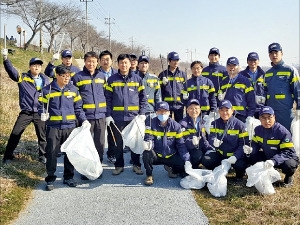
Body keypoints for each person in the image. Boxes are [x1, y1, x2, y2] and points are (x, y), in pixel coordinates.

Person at [39, 65, 89, 191]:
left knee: (70, 153)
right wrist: (42, 113)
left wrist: (84, 120)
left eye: (68, 76)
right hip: (53, 127)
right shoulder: (47, 90)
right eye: (64, 76)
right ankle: (50, 179)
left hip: (70, 127)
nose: (67, 78)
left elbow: (78, 108)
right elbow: (41, 105)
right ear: (57, 76)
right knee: (51, 153)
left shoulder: (73, 90)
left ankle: (68, 177)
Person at [1, 48, 49, 164]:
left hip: (40, 112)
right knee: (15, 133)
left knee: (42, 136)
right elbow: (12, 71)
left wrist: (47, 111)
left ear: (41, 68)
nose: (36, 67)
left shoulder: (46, 80)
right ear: (29, 67)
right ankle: (8, 156)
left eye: (39, 65)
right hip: (26, 112)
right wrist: (6, 59)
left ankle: (42, 156)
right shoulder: (23, 78)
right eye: (34, 65)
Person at [105, 54, 147, 176]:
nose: (124, 65)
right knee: (118, 143)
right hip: (117, 118)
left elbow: (143, 99)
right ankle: (119, 166)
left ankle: (136, 165)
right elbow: (107, 99)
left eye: (126, 63)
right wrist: (108, 115)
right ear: (118, 64)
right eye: (121, 63)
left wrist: (142, 114)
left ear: (130, 64)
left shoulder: (137, 80)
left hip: (134, 118)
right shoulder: (112, 80)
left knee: (135, 141)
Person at [243, 106, 299, 187]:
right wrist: (251, 149)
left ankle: (288, 178)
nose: (267, 121)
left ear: (274, 117)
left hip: (283, 158)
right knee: (250, 156)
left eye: (269, 118)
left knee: (289, 165)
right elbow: (255, 144)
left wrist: (274, 161)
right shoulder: (258, 130)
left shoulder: (282, 132)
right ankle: (261, 174)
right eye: (263, 118)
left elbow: (288, 152)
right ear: (259, 119)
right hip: (268, 156)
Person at [72, 52, 106, 175]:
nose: (91, 64)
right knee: (85, 145)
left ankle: (98, 168)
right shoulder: (77, 77)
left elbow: (105, 94)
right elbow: (74, 99)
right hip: (86, 118)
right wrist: (81, 118)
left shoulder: (102, 76)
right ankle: (85, 170)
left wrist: (107, 114)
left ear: (97, 62)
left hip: (101, 116)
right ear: (84, 62)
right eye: (88, 61)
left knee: (100, 144)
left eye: (93, 61)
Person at [143, 101, 191, 185]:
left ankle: (171, 169)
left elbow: (180, 144)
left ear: (169, 112)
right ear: (156, 112)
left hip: (171, 155)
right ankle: (149, 175)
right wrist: (148, 144)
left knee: (182, 164)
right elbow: (148, 138)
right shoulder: (150, 124)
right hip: (157, 155)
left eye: (165, 111)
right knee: (146, 153)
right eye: (160, 111)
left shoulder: (176, 126)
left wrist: (187, 159)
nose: (162, 113)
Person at [202, 100, 249, 182]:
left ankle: (239, 174)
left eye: (227, 110)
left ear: (232, 110)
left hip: (234, 156)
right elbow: (211, 137)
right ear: (219, 111)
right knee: (206, 160)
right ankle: (217, 170)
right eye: (222, 110)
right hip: (220, 154)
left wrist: (236, 156)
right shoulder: (214, 123)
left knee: (241, 165)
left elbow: (243, 144)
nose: (224, 113)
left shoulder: (240, 125)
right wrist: (214, 142)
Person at [264, 43, 300, 131]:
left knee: (286, 135)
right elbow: (265, 92)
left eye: (276, 52)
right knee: (272, 136)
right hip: (270, 112)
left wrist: (299, 108)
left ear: (282, 53)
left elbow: (297, 90)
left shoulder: (290, 70)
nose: (274, 55)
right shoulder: (267, 73)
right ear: (269, 55)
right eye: (271, 53)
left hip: (285, 112)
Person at [218, 57, 256, 123]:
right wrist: (219, 99)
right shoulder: (223, 82)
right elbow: (218, 100)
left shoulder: (245, 81)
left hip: (241, 115)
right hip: (227, 115)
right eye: (229, 65)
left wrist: (250, 115)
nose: (231, 67)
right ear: (226, 67)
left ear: (238, 67)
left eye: (234, 65)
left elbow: (251, 100)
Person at [179, 99, 214, 169]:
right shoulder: (182, 124)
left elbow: (204, 140)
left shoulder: (201, 122)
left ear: (200, 109)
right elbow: (181, 144)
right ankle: (188, 168)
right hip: (189, 152)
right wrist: (191, 143)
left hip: (199, 148)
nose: (194, 111)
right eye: (191, 108)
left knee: (210, 158)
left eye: (196, 108)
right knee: (198, 155)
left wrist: (211, 149)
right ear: (187, 110)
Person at [98, 50, 118, 163]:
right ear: (99, 61)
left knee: (112, 132)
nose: (106, 61)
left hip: (113, 106)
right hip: (99, 107)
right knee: (99, 134)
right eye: (103, 59)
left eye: (108, 59)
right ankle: (97, 156)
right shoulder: (95, 73)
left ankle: (111, 153)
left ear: (111, 61)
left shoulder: (116, 74)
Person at [158, 51, 187, 122]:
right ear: (169, 61)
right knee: (166, 124)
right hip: (166, 106)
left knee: (179, 124)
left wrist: (185, 98)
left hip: (179, 105)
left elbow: (185, 88)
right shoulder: (163, 74)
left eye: (177, 60)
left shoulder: (182, 74)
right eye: (174, 60)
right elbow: (159, 91)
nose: (176, 62)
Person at [240, 52, 265, 118]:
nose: (252, 62)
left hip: (260, 109)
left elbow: (267, 90)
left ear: (258, 61)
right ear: (247, 61)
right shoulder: (241, 75)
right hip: (246, 109)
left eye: (255, 60)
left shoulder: (264, 75)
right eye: (250, 60)